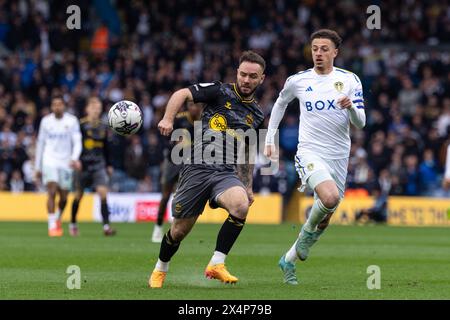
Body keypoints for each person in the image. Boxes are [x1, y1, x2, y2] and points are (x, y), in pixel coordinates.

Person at [149, 50, 266, 288]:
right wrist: (168, 118)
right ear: (237, 73)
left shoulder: (257, 114)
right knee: (179, 231)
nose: (246, 80)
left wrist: (248, 185)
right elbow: (182, 93)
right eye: (243, 74)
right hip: (197, 169)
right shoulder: (219, 90)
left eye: (252, 76)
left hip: (225, 172)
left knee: (241, 205)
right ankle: (161, 267)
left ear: (261, 79)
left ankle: (216, 263)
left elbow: (247, 151)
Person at [264, 29, 366, 285]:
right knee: (329, 197)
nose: (318, 53)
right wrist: (268, 138)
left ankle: (289, 258)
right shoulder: (298, 80)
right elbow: (279, 104)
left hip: (339, 156)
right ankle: (305, 240)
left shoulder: (350, 80)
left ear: (335, 52)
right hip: (309, 151)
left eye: (324, 49)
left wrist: (351, 106)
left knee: (328, 211)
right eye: (315, 49)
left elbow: (361, 123)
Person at [151, 102, 202, 243]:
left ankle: (176, 228)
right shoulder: (179, 119)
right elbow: (164, 136)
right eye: (191, 105)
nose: (194, 108)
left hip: (189, 164)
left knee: (181, 195)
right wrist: (173, 143)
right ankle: (158, 226)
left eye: (196, 106)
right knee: (165, 195)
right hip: (172, 161)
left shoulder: (204, 122)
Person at [34, 94, 82, 237]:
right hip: (50, 160)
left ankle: (58, 217)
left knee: (64, 197)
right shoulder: (45, 121)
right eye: (54, 104)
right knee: (52, 190)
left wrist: (74, 158)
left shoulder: (72, 121)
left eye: (59, 104)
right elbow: (40, 144)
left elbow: (77, 141)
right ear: (51, 107)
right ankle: (52, 225)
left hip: (66, 162)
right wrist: (38, 167)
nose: (57, 107)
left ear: (64, 106)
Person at [70, 96, 116, 236]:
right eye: (94, 108)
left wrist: (108, 164)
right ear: (87, 109)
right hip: (82, 165)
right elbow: (74, 144)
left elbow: (106, 147)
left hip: (99, 164)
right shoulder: (80, 125)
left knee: (103, 193)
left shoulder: (104, 126)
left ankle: (106, 227)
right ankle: (73, 223)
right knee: (78, 195)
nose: (96, 110)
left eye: (98, 108)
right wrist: (74, 159)